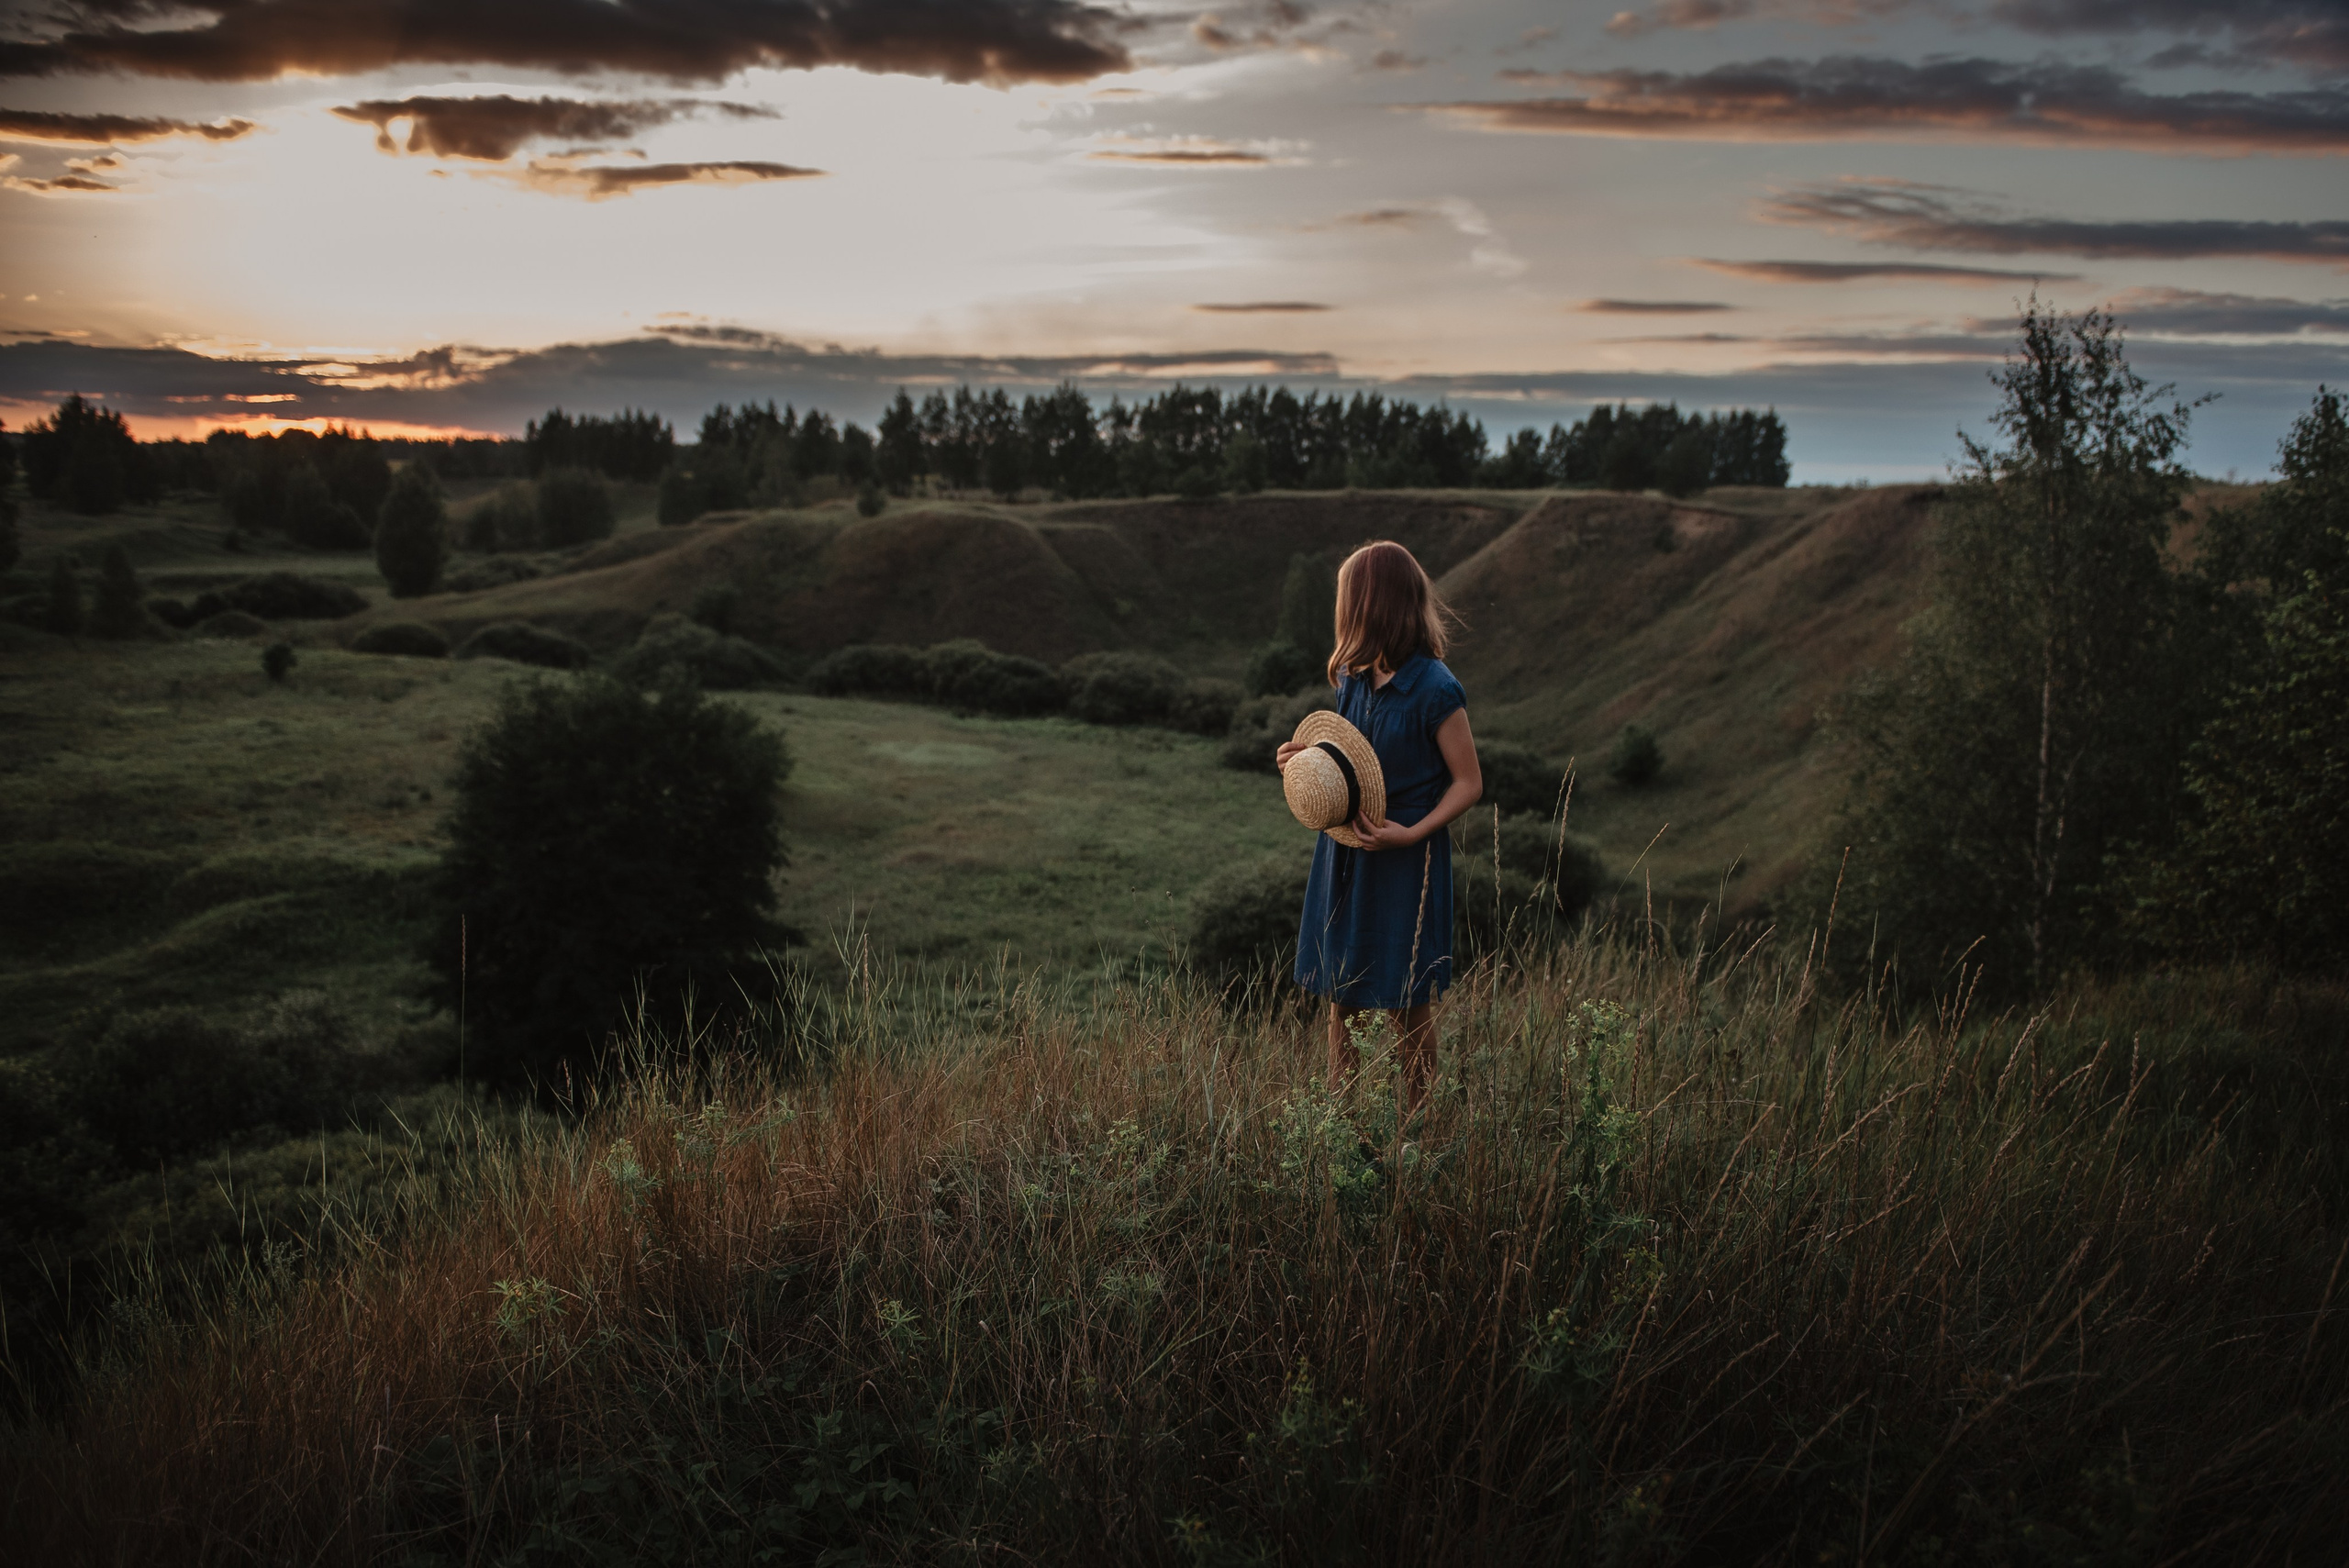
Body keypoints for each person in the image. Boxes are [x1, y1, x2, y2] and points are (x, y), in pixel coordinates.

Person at [1276, 539, 1482, 1106]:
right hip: (1346, 851)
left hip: (1404, 855)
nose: (1343, 612)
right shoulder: (1353, 676)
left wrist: (1412, 834)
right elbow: (1344, 754)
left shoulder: (1436, 688)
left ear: (1376, 604)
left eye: (1350, 600)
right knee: (1342, 992)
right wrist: (1303, 762)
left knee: (1404, 999)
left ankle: (1420, 1130)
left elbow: (1469, 782)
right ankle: (1341, 1122)